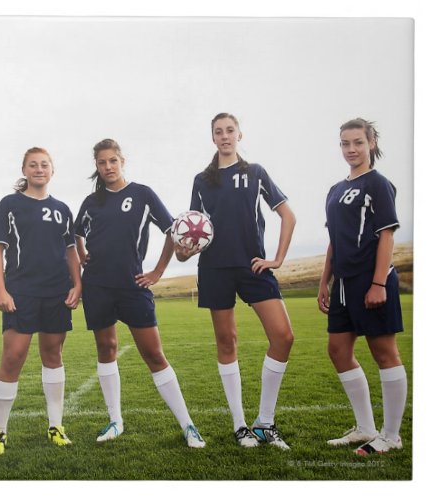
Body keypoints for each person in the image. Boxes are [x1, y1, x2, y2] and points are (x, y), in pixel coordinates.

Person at [74, 138, 205, 448]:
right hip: (98, 286)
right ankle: (115, 420)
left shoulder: (143, 194)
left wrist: (158, 272)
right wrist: (81, 255)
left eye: (113, 161)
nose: (108, 167)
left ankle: (188, 425)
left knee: (154, 354)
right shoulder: (91, 202)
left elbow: (173, 231)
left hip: (133, 285)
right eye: (102, 162)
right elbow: (76, 233)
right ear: (97, 166)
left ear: (122, 161)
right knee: (106, 349)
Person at [176, 113, 296, 449]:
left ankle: (265, 422)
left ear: (240, 134)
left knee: (284, 337)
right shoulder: (202, 180)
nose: (225, 136)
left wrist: (277, 259)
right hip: (215, 269)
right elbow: (192, 231)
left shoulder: (255, 172)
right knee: (227, 342)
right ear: (212, 138)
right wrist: (182, 252)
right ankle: (241, 425)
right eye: (218, 132)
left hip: (253, 267)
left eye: (230, 130)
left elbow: (288, 215)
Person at [318, 118, 407, 455]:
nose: (351, 149)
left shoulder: (379, 184)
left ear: (371, 143)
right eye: (345, 143)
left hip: (371, 281)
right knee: (338, 350)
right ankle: (365, 428)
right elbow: (332, 241)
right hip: (342, 284)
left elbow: (386, 234)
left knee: (384, 353)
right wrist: (325, 282)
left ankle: (391, 435)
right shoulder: (335, 189)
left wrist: (378, 283)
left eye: (357, 142)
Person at [0, 147, 82, 456]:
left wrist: (78, 284)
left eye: (44, 165)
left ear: (52, 170)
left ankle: (56, 426)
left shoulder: (63, 209)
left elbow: (71, 251)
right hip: (21, 291)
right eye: (33, 165)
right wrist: (0, 290)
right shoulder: (10, 204)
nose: (39, 169)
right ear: (25, 170)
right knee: (13, 357)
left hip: (56, 292)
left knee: (53, 354)